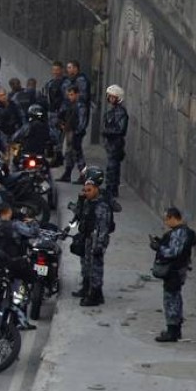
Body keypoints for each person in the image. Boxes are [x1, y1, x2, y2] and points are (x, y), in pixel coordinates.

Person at [150, 207, 196, 342]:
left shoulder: (180, 233)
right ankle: (175, 330)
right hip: (177, 270)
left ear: (172, 217)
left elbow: (174, 252)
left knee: (171, 300)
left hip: (174, 270)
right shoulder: (182, 232)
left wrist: (159, 248)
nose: (165, 222)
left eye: (166, 219)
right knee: (174, 298)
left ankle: (172, 331)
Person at [73, 176, 114, 307]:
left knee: (95, 267)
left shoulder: (102, 205)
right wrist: (80, 201)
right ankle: (87, 289)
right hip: (87, 237)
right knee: (86, 264)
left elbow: (103, 227)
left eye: (89, 190)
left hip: (96, 239)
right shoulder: (87, 202)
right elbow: (80, 215)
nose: (86, 193)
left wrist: (100, 244)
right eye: (85, 190)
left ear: (96, 189)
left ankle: (95, 295)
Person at [102, 84, 129, 209]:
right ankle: (112, 188)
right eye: (109, 96)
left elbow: (120, 129)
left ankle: (111, 188)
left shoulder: (120, 112)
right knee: (113, 166)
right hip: (111, 142)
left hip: (115, 142)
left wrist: (107, 132)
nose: (110, 99)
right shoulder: (113, 111)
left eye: (113, 97)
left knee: (112, 167)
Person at [58, 85, 89, 182]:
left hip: (75, 133)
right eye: (69, 95)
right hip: (70, 132)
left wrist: (77, 132)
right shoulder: (72, 104)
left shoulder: (80, 106)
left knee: (78, 155)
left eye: (72, 94)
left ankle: (84, 175)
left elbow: (82, 121)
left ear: (77, 94)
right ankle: (67, 174)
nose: (70, 97)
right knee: (69, 154)